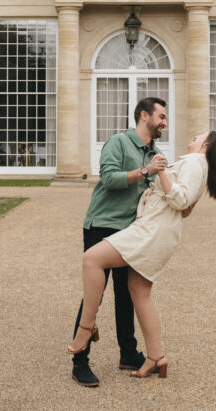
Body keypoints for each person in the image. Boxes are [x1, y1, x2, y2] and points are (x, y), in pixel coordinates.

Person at [67, 129, 216, 380]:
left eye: (199, 135)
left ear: (207, 144)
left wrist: (160, 171)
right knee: (139, 290)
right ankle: (156, 357)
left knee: (91, 259)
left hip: (152, 230)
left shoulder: (194, 162)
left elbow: (180, 200)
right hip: (160, 230)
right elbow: (185, 204)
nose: (194, 136)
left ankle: (86, 328)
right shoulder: (199, 165)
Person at [70, 97, 169, 388]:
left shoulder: (155, 152)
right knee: (94, 297)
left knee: (126, 296)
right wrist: (145, 171)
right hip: (101, 226)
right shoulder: (118, 142)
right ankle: (79, 361)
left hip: (130, 233)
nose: (165, 122)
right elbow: (108, 178)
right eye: (161, 117)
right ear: (144, 115)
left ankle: (128, 353)